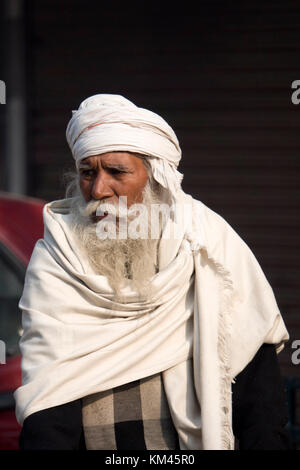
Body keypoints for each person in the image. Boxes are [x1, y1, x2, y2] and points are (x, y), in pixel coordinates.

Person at [15, 94, 291, 450]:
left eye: (117, 173)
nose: (99, 190)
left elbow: (259, 394)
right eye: (88, 173)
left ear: (156, 178)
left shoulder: (211, 244)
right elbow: (47, 402)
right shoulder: (57, 257)